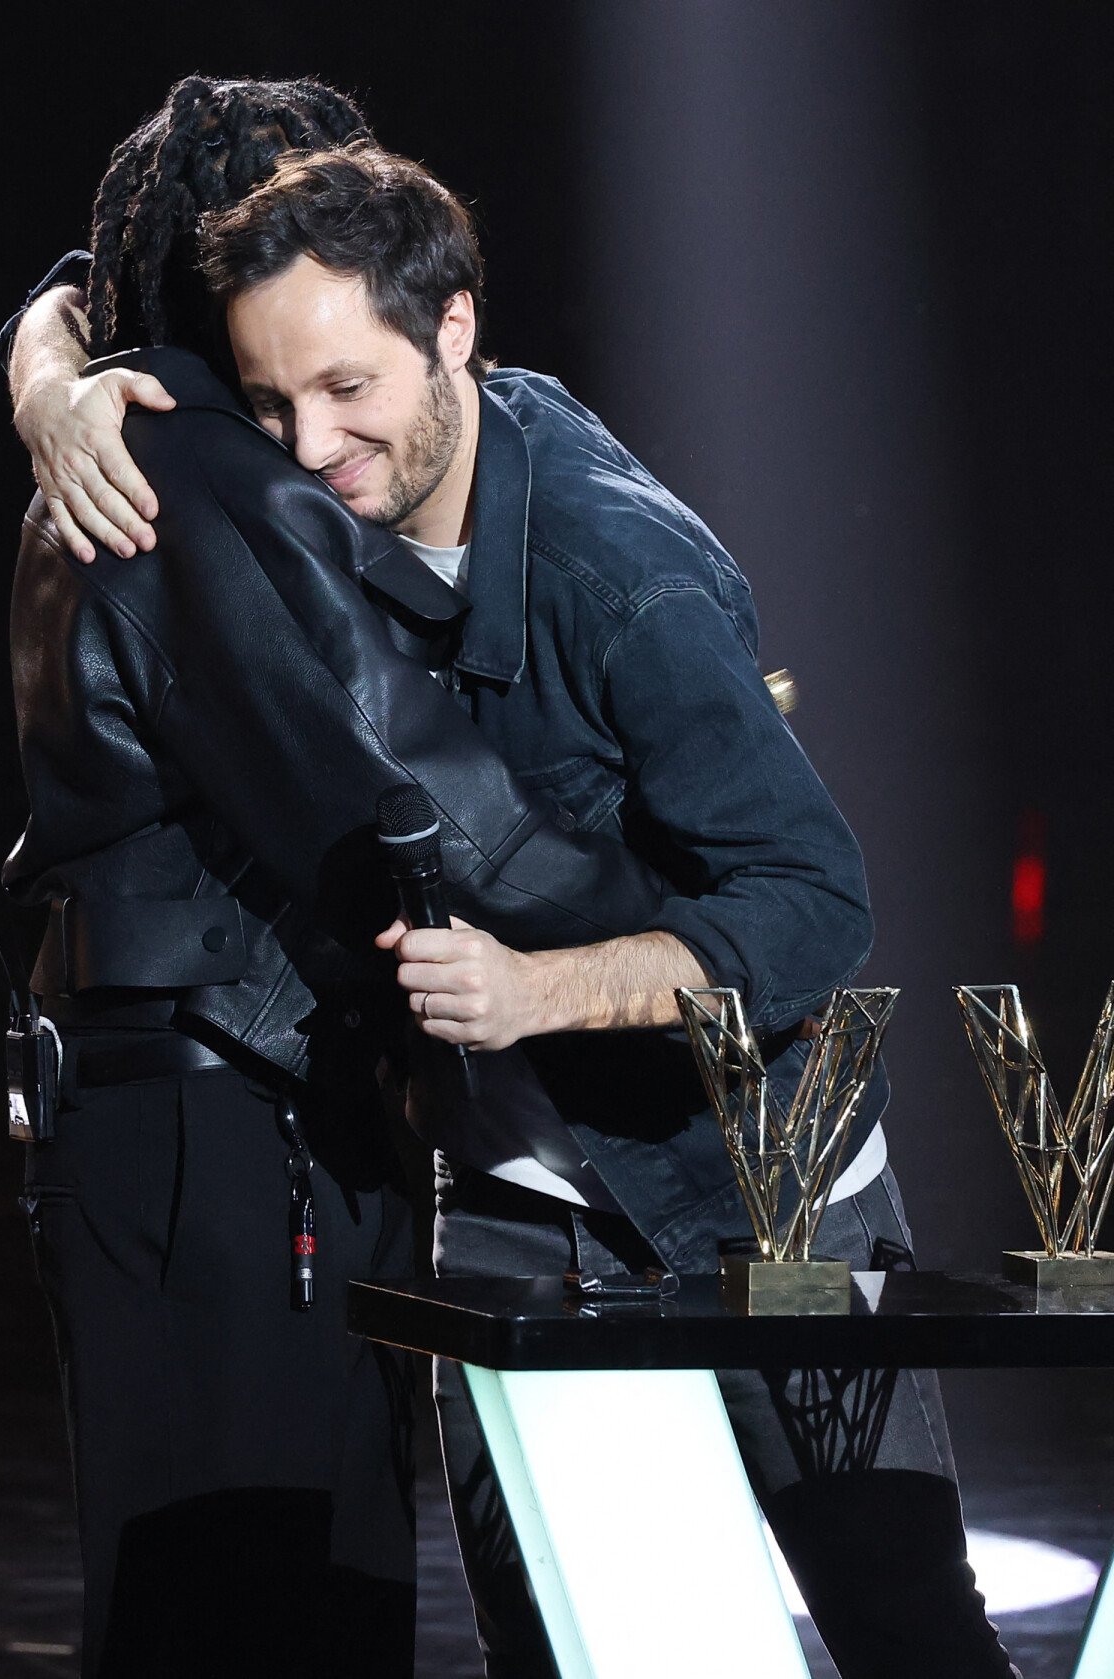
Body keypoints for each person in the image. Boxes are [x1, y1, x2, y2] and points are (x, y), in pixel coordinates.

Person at [189, 144, 1020, 1679]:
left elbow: (815, 906)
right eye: (270, 402)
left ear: (452, 328)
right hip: (517, 1182)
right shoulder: (351, 446)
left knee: (899, 1621)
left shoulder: (619, 574)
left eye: (347, 391)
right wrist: (51, 374)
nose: (309, 446)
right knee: (561, 1647)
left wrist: (533, 991)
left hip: (762, 1173)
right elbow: (106, 315)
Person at [0, 77, 668, 1679]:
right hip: (232, 1125)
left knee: (213, 1593)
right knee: (270, 1596)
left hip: (177, 1107)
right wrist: (673, 930)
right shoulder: (202, 472)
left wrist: (36, 359)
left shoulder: (118, 439)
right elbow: (402, 793)